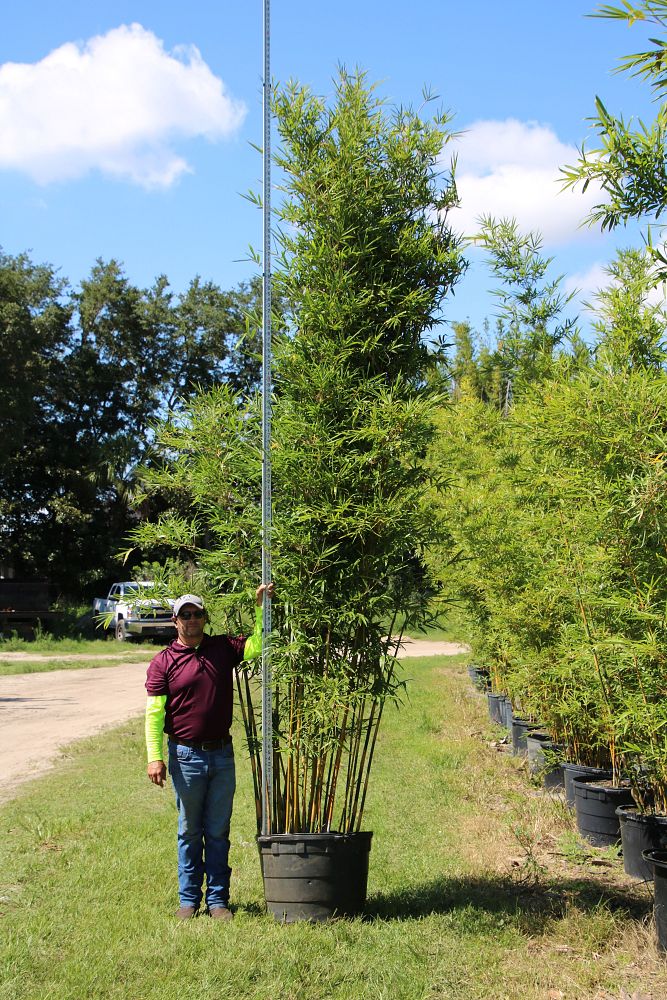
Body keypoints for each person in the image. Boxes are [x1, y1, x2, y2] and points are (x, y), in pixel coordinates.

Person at [145, 583, 274, 921]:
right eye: (185, 615)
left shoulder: (221, 648)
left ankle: (218, 901)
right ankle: (189, 901)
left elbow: (258, 647)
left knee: (218, 830)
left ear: (205, 618)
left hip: (222, 755)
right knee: (189, 830)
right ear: (175, 621)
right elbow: (154, 714)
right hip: (185, 756)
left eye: (196, 614)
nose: (191, 620)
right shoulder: (163, 662)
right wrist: (154, 755)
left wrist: (261, 608)